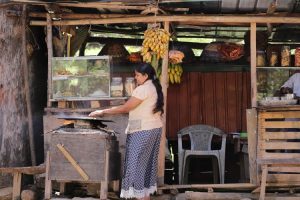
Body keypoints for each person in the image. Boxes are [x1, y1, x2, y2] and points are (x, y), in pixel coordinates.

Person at [89, 63, 164, 200]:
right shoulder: (154, 86)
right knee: (145, 164)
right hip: (154, 129)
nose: (135, 78)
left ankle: (141, 197)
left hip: (143, 130)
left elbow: (126, 108)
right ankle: (144, 196)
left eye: (137, 75)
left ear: (146, 76)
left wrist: (102, 111)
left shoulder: (143, 89)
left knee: (136, 166)